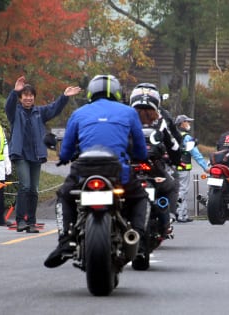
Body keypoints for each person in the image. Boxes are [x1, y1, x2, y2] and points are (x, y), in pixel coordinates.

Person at [44, 74, 148, 268]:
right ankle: (139, 239)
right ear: (116, 92)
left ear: (91, 92)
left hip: (83, 171)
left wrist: (65, 158)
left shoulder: (79, 113)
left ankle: (65, 240)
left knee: (64, 196)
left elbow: (65, 151)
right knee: (140, 197)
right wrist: (139, 156)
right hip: (118, 172)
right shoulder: (128, 112)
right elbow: (141, 150)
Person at [5, 76, 81, 233]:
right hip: (20, 154)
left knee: (33, 189)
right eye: (25, 95)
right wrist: (15, 91)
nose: (28, 98)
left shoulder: (39, 112)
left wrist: (64, 97)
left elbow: (54, 108)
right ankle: (20, 220)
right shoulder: (15, 112)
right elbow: (9, 106)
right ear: (21, 98)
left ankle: (31, 222)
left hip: (36, 154)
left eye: (31, 95)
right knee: (25, 186)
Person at [129, 83, 180, 231]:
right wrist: (176, 160)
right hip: (154, 164)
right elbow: (174, 143)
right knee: (171, 184)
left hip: (128, 164)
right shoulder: (161, 119)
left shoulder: (123, 116)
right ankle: (169, 216)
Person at [175, 114, 209, 222]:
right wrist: (205, 167)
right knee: (182, 190)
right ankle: (180, 215)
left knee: (176, 190)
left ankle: (181, 214)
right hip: (183, 168)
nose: (189, 124)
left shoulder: (172, 135)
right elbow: (196, 154)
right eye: (187, 122)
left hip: (172, 168)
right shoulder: (186, 137)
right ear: (182, 123)